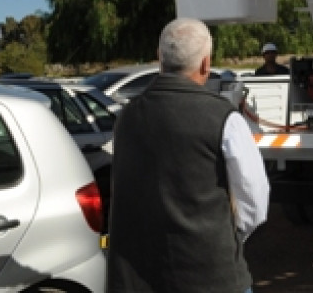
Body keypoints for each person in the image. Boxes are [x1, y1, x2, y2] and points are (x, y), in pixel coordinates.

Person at [107, 18, 270, 293]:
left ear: (160, 58)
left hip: (136, 279)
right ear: (206, 63)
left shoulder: (127, 116)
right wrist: (222, 238)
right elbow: (254, 202)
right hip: (211, 277)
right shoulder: (223, 118)